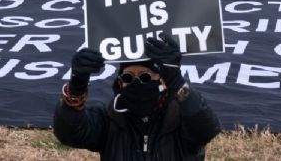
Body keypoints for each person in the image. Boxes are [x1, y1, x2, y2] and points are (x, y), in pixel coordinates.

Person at [54, 34, 221, 160]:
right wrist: (77, 86)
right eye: (128, 77)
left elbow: (206, 129)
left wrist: (177, 83)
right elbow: (70, 133)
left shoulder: (180, 115)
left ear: (162, 80)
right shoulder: (108, 117)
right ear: (120, 83)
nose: (136, 82)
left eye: (145, 76)